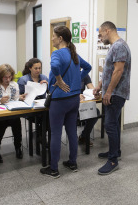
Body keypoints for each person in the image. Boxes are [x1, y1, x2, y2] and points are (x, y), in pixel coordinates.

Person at [40, 25, 91, 178]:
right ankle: (72, 162)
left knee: (55, 133)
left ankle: (54, 169)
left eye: (53, 36)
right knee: (71, 132)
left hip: (60, 101)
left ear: (60, 38)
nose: (52, 38)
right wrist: (76, 81)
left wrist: (59, 79)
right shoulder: (73, 53)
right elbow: (88, 68)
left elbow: (55, 66)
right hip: (74, 99)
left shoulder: (57, 54)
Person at [93, 21, 131, 175]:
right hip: (112, 92)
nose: (100, 38)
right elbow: (109, 70)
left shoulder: (119, 46)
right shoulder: (115, 47)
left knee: (109, 125)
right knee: (113, 124)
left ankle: (113, 159)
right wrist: (99, 85)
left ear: (107, 30)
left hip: (115, 94)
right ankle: (115, 151)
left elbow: (118, 71)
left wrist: (108, 92)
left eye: (101, 34)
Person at [0, 64, 27, 163]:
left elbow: (15, 99)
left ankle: (18, 147)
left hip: (11, 112)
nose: (8, 79)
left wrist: (20, 98)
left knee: (16, 121)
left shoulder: (14, 84)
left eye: (10, 77)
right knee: (2, 123)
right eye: (5, 77)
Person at [78, 74, 100, 148]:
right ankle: (74, 139)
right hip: (72, 105)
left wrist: (95, 93)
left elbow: (91, 87)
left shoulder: (84, 74)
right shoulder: (68, 73)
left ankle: (84, 136)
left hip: (83, 104)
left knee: (96, 113)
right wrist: (76, 95)